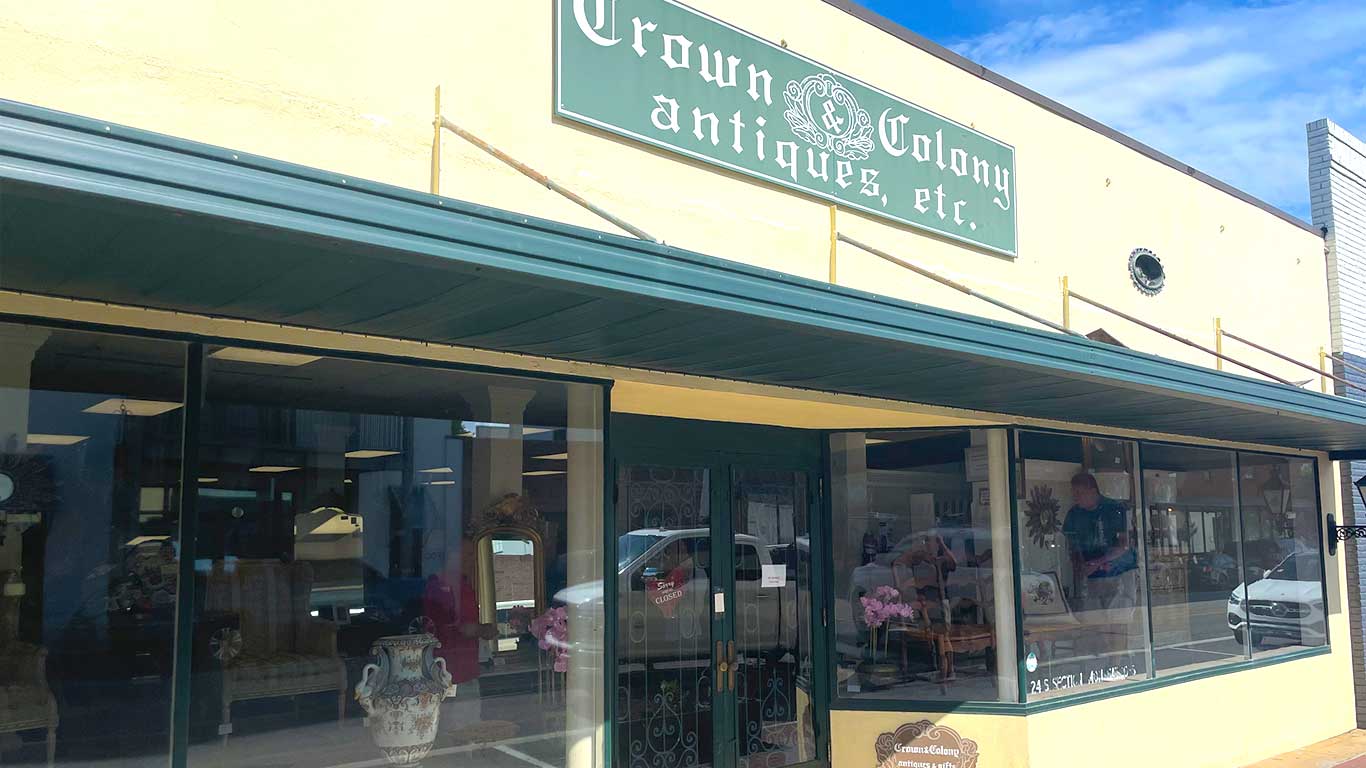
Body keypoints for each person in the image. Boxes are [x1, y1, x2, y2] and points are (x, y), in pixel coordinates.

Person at [1062, 472, 1139, 662]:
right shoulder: (1074, 514)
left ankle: (1116, 664)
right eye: (1074, 493)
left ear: (1093, 491)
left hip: (1120, 571)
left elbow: (1124, 545)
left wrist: (1097, 562)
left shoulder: (1114, 509)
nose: (1076, 497)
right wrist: (1079, 565)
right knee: (1097, 620)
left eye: (1080, 493)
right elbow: (1071, 544)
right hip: (1093, 576)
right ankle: (1112, 655)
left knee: (1118, 618)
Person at [424, 537, 497, 733]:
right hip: (450, 669)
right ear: (451, 556)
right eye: (467, 554)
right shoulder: (441, 586)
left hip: (466, 666)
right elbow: (459, 627)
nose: (471, 559)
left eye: (472, 554)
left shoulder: (462, 585)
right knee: (457, 727)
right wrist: (483, 629)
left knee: (468, 723)